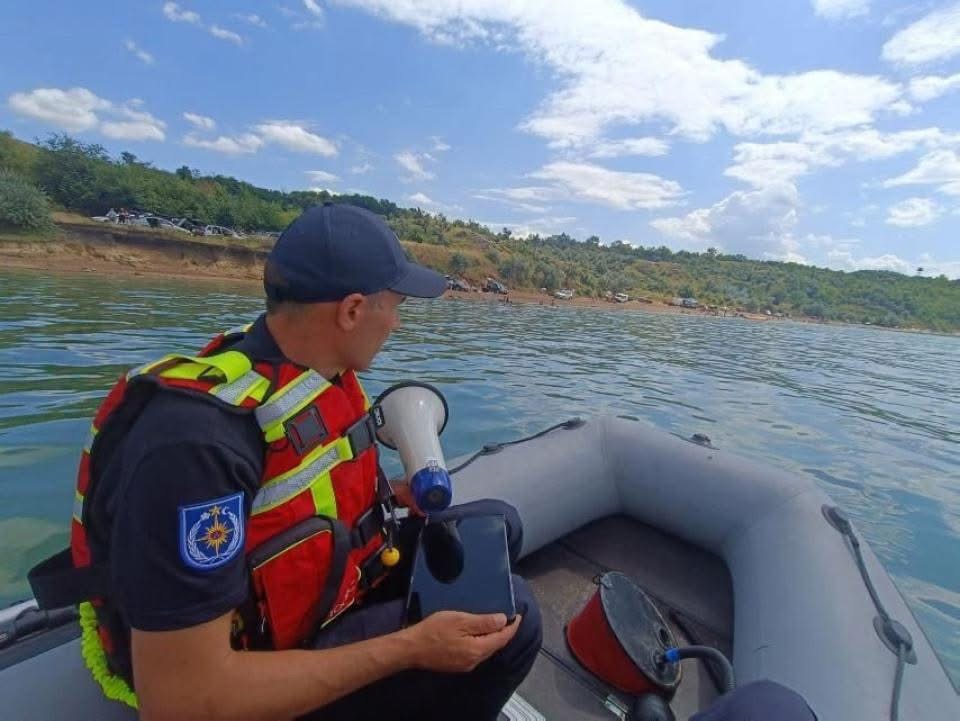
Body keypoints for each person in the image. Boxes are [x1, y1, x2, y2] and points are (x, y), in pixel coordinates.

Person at [31, 202, 542, 721]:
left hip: (327, 591)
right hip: (250, 669)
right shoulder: (194, 449)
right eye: (395, 306)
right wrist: (410, 648)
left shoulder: (303, 365)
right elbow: (181, 701)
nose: (398, 323)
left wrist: (383, 496)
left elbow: (289, 492)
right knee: (518, 617)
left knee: (501, 524)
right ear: (351, 311)